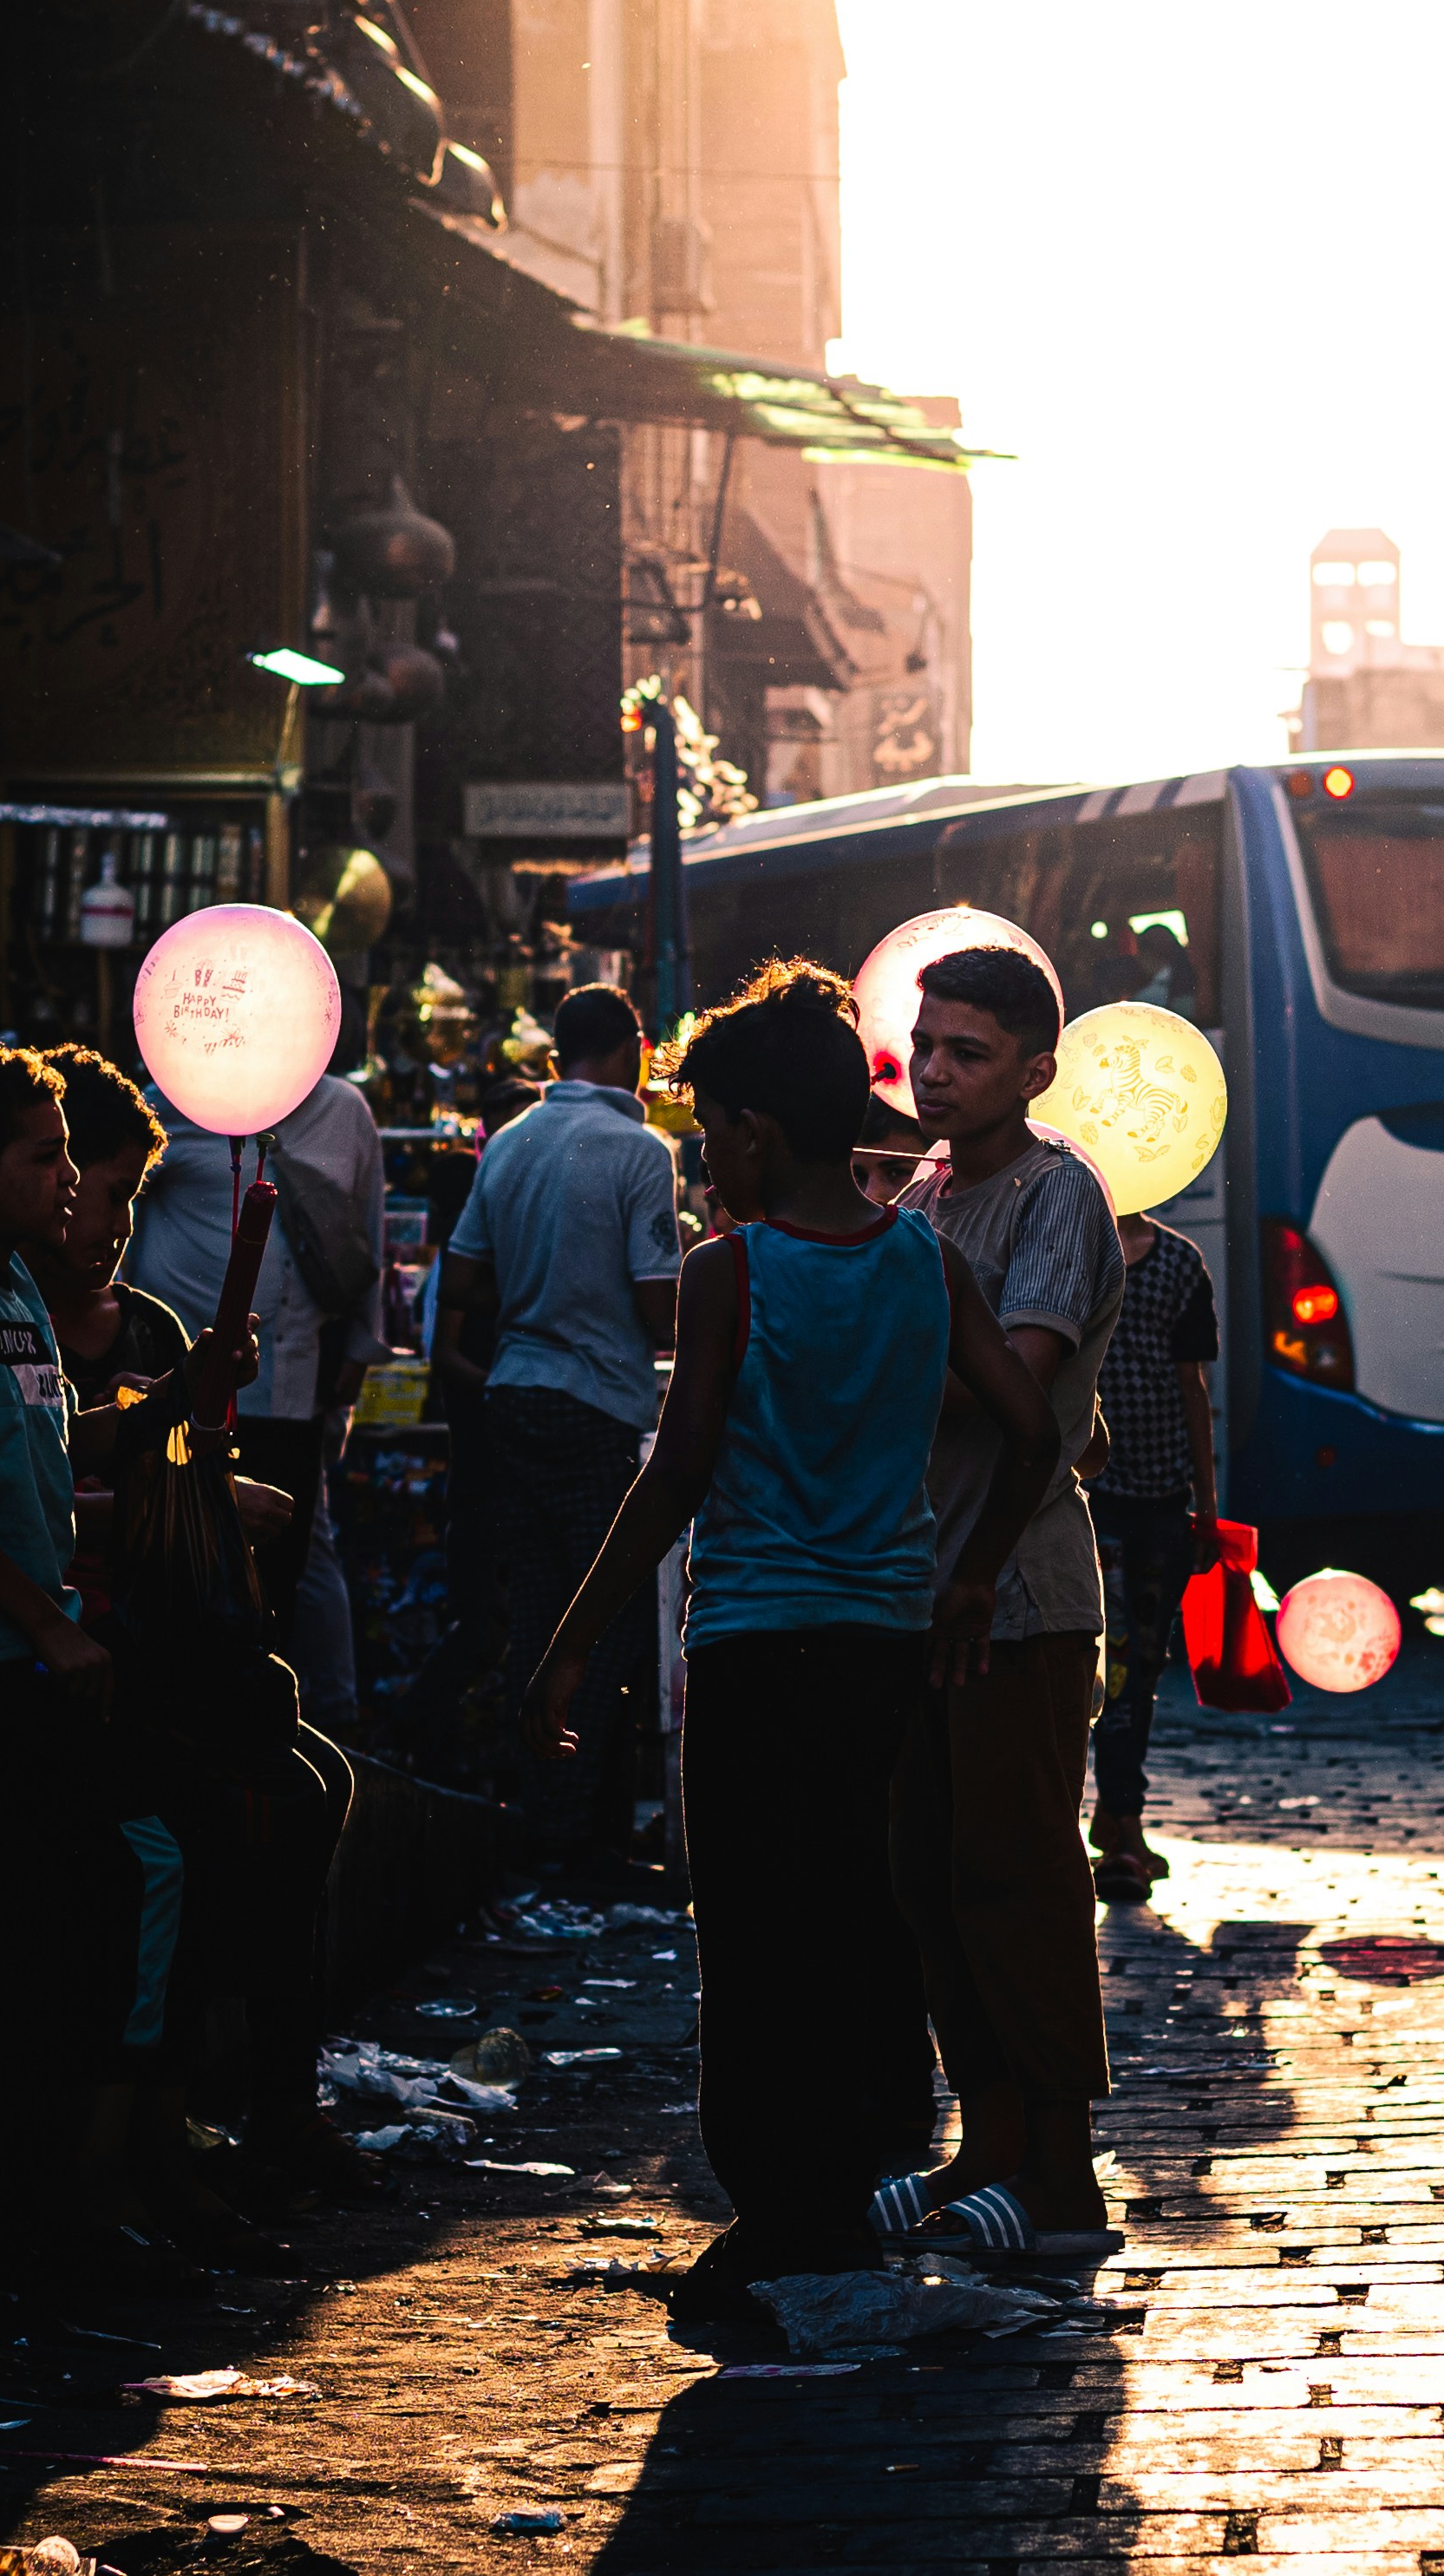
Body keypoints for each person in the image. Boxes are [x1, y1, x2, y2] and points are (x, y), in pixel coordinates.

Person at [522, 960, 1056, 2309]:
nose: (706, 1159)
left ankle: (783, 2208)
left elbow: (677, 1470)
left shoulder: (730, 1271)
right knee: (866, 1918)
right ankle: (865, 2176)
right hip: (883, 1641)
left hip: (759, 1643)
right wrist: (972, 1572)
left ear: (755, 1130)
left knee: (760, 1931)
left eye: (709, 1132)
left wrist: (570, 1638)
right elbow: (1034, 1426)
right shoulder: (922, 1257)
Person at [0, 1037, 220, 2270]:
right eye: (45, 1153)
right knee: (147, 1858)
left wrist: (181, 1394)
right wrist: (46, 1620)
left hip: (21, 1640)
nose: (71, 1175)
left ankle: (141, 2148)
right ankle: (91, 2169)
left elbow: (64, 1449)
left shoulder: (11, 1287)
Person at [39, 1043, 369, 2212]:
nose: (110, 1224)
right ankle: (165, 2137)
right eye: (87, 1192)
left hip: (174, 1636)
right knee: (233, 1810)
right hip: (84, 1653)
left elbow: (184, 1463)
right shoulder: (5, 1323)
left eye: (129, 1197)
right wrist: (178, 1486)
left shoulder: (149, 1332)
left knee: (315, 1785)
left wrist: (202, 1475)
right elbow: (19, 1481)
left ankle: (274, 2099)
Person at [892, 945, 1130, 2249]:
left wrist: (849, 1364)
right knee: (931, 1879)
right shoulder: (926, 1194)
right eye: (924, 1046)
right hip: (920, 1588)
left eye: (966, 1052)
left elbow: (1018, 1387)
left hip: (1017, 1590)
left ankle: (1059, 2168)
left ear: (1033, 1071)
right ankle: (985, 2142)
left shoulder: (1057, 1195)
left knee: (1020, 1880)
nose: (935, 1072)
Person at [436, 983, 683, 1851]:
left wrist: (537, 1280)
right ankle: (576, 1836)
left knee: (539, 1615)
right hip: (593, 1406)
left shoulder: (508, 1142)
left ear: (554, 1058)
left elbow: (462, 1282)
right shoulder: (639, 1149)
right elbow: (660, 1307)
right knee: (600, 1625)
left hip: (514, 1395)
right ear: (634, 1050)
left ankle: (541, 1832)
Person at [127, 999, 385, 1723]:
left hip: (293, 1378)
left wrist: (359, 1353)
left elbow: (363, 1236)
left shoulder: (344, 1110)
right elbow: (120, 1206)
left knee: (283, 1558)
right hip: (177, 1377)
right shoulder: (175, 1101)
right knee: (180, 1545)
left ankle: (291, 1716)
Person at [1083, 1205, 1219, 1904]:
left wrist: (1207, 1500)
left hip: (1160, 1494)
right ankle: (1110, 1821)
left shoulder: (1179, 1263)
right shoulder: (1070, 1247)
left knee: (1140, 1664)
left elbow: (1192, 1386)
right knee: (1099, 1666)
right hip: (1082, 1490)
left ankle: (1121, 1819)